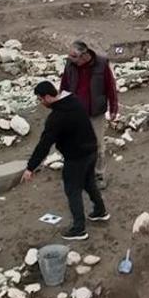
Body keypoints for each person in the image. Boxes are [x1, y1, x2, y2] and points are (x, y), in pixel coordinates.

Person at [21, 81, 110, 241]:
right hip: (91, 150)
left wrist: (30, 167)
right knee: (89, 183)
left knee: (72, 190)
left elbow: (44, 144)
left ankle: (79, 228)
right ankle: (100, 211)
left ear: (48, 97)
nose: (41, 103)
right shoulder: (74, 101)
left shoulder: (56, 117)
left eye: (41, 99)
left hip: (76, 157)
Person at [60, 40, 119, 190]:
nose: (70, 59)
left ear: (84, 55)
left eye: (74, 56)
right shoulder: (70, 64)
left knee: (98, 145)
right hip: (76, 112)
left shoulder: (101, 64)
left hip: (95, 112)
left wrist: (113, 107)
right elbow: (65, 85)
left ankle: (99, 175)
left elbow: (110, 86)